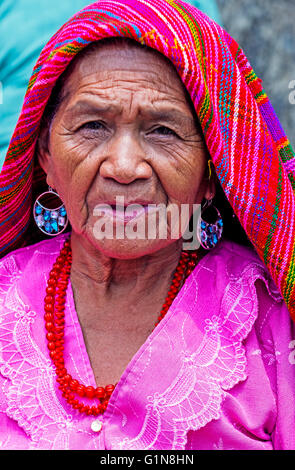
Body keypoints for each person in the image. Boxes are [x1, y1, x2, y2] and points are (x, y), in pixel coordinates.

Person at [0, 0, 294, 450]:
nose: (123, 167)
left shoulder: (266, 314)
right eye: (93, 125)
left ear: (212, 172)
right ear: (45, 157)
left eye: (163, 131)